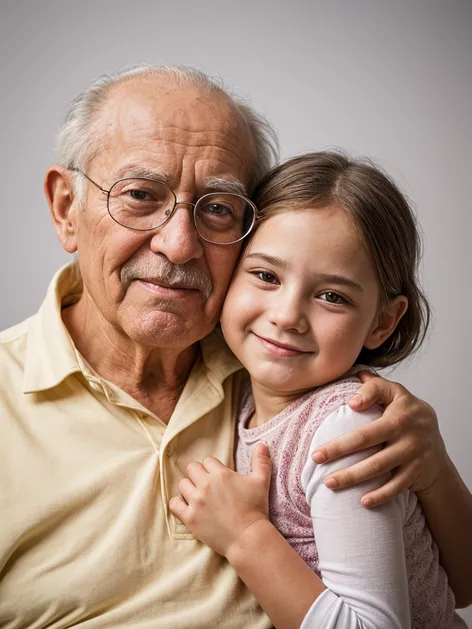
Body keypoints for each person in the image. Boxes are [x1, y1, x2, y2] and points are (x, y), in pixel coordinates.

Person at [0, 64, 470, 627]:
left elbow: (453, 583)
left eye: (217, 208)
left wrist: (433, 463)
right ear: (66, 208)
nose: (178, 246)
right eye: (141, 195)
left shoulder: (278, 372)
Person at [169, 152, 471, 628]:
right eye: (266, 276)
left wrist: (246, 536)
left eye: (332, 295)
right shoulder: (246, 392)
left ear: (383, 322)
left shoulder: (344, 430)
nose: (287, 315)